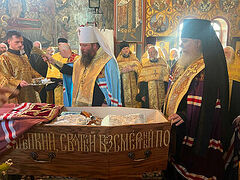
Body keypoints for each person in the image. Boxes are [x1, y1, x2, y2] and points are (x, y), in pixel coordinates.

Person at [164, 19, 233, 180]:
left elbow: (207, 105)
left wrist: (184, 114)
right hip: (179, 128)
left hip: (198, 130)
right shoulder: (186, 63)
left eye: (185, 42)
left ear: (198, 43)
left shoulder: (207, 68)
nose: (181, 45)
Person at [44, 26, 122, 107]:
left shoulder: (107, 61)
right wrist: (53, 61)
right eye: (81, 45)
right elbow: (71, 71)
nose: (82, 48)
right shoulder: (84, 59)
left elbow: (113, 85)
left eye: (85, 45)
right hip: (81, 106)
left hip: (100, 106)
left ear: (95, 46)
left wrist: (106, 103)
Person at [0, 30, 41, 103]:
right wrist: (18, 83)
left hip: (29, 93)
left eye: (21, 42)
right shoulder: (4, 58)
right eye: (17, 42)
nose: (20, 44)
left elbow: (31, 71)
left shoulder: (24, 56)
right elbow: (3, 77)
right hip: (16, 96)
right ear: (9, 41)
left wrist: (41, 79)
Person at [116, 41, 141, 107]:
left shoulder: (134, 58)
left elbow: (140, 68)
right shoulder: (118, 60)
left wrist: (133, 69)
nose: (126, 50)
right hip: (123, 87)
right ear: (121, 51)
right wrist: (121, 71)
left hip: (134, 86)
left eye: (127, 48)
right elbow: (115, 72)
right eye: (123, 49)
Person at [45, 38, 68, 105]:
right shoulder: (54, 56)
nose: (61, 47)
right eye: (59, 45)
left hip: (67, 84)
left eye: (63, 45)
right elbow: (50, 70)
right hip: (56, 84)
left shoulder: (71, 56)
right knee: (57, 102)